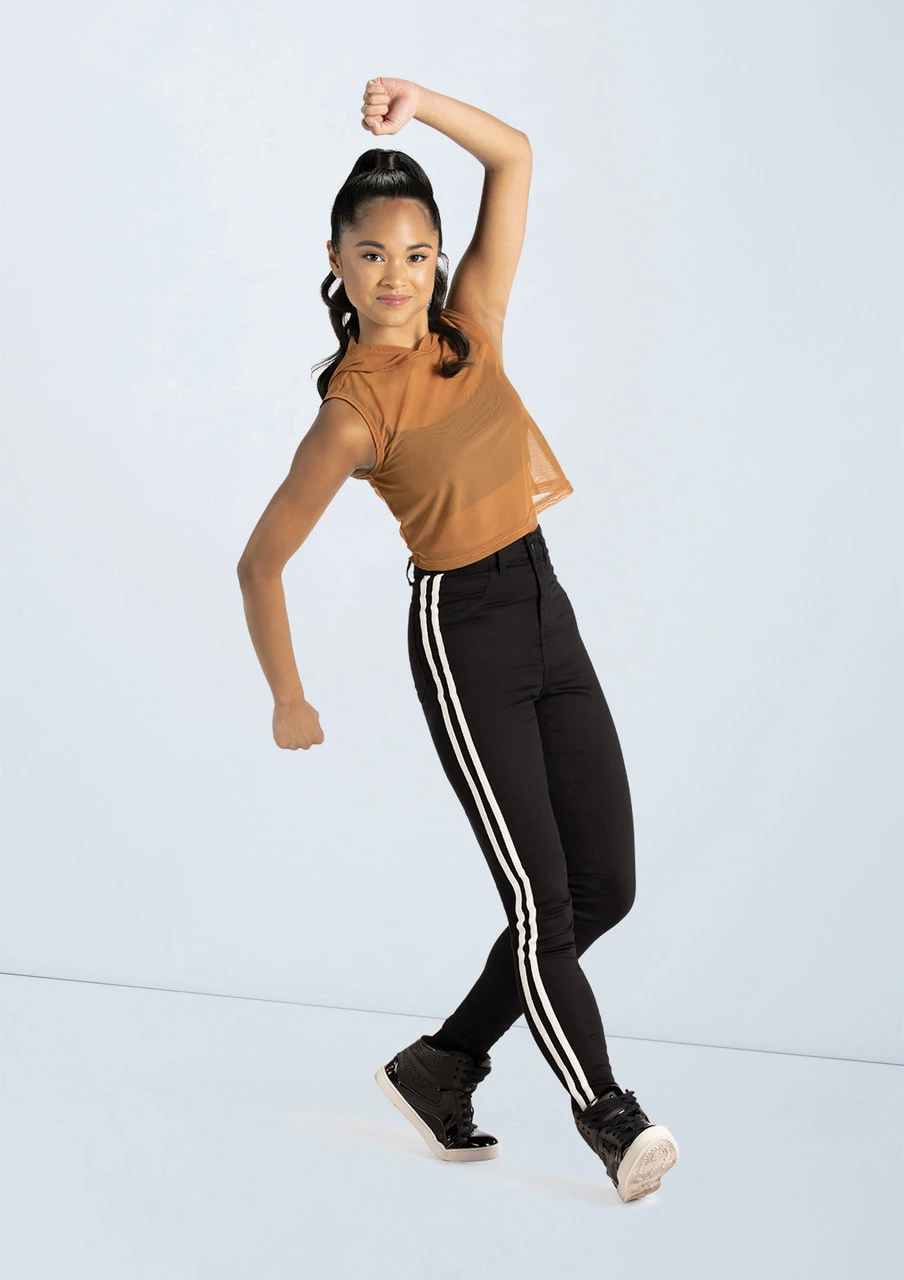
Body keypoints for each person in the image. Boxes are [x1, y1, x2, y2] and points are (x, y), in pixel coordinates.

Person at [236, 76, 679, 1203]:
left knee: (604, 885)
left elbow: (515, 155)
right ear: (335, 263)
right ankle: (609, 1116)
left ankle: (441, 1064)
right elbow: (260, 561)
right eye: (372, 254)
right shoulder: (351, 412)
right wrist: (288, 693)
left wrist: (420, 101)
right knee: (543, 904)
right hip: (463, 633)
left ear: (439, 261)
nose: (398, 274)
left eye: (417, 252)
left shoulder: (468, 326)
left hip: (545, 604)